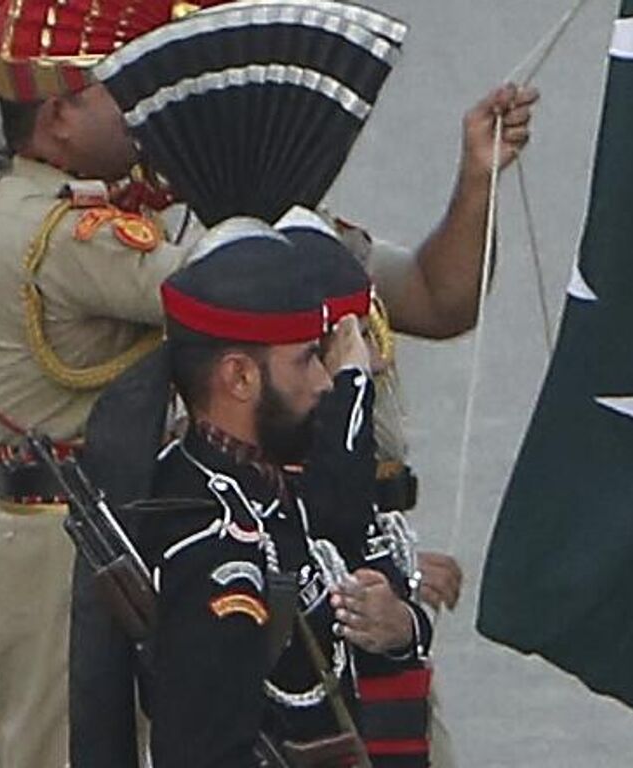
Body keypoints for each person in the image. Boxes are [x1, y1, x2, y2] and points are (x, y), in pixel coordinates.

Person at [0, 2, 530, 764]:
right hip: (144, 537)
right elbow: (230, 352)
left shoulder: (273, 229)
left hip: (309, 541)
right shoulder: (153, 238)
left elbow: (434, 296)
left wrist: (475, 180)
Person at [138, 229, 431, 766]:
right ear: (240, 377)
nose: (325, 382)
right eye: (305, 361)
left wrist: (400, 626)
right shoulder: (215, 546)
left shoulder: (267, 489)